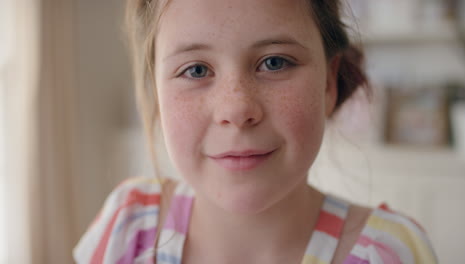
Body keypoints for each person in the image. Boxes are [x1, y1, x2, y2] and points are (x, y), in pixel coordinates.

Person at [73, 0, 438, 263]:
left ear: (328, 83)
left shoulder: (388, 251)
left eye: (274, 62)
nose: (236, 108)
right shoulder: (129, 225)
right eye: (196, 70)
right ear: (155, 90)